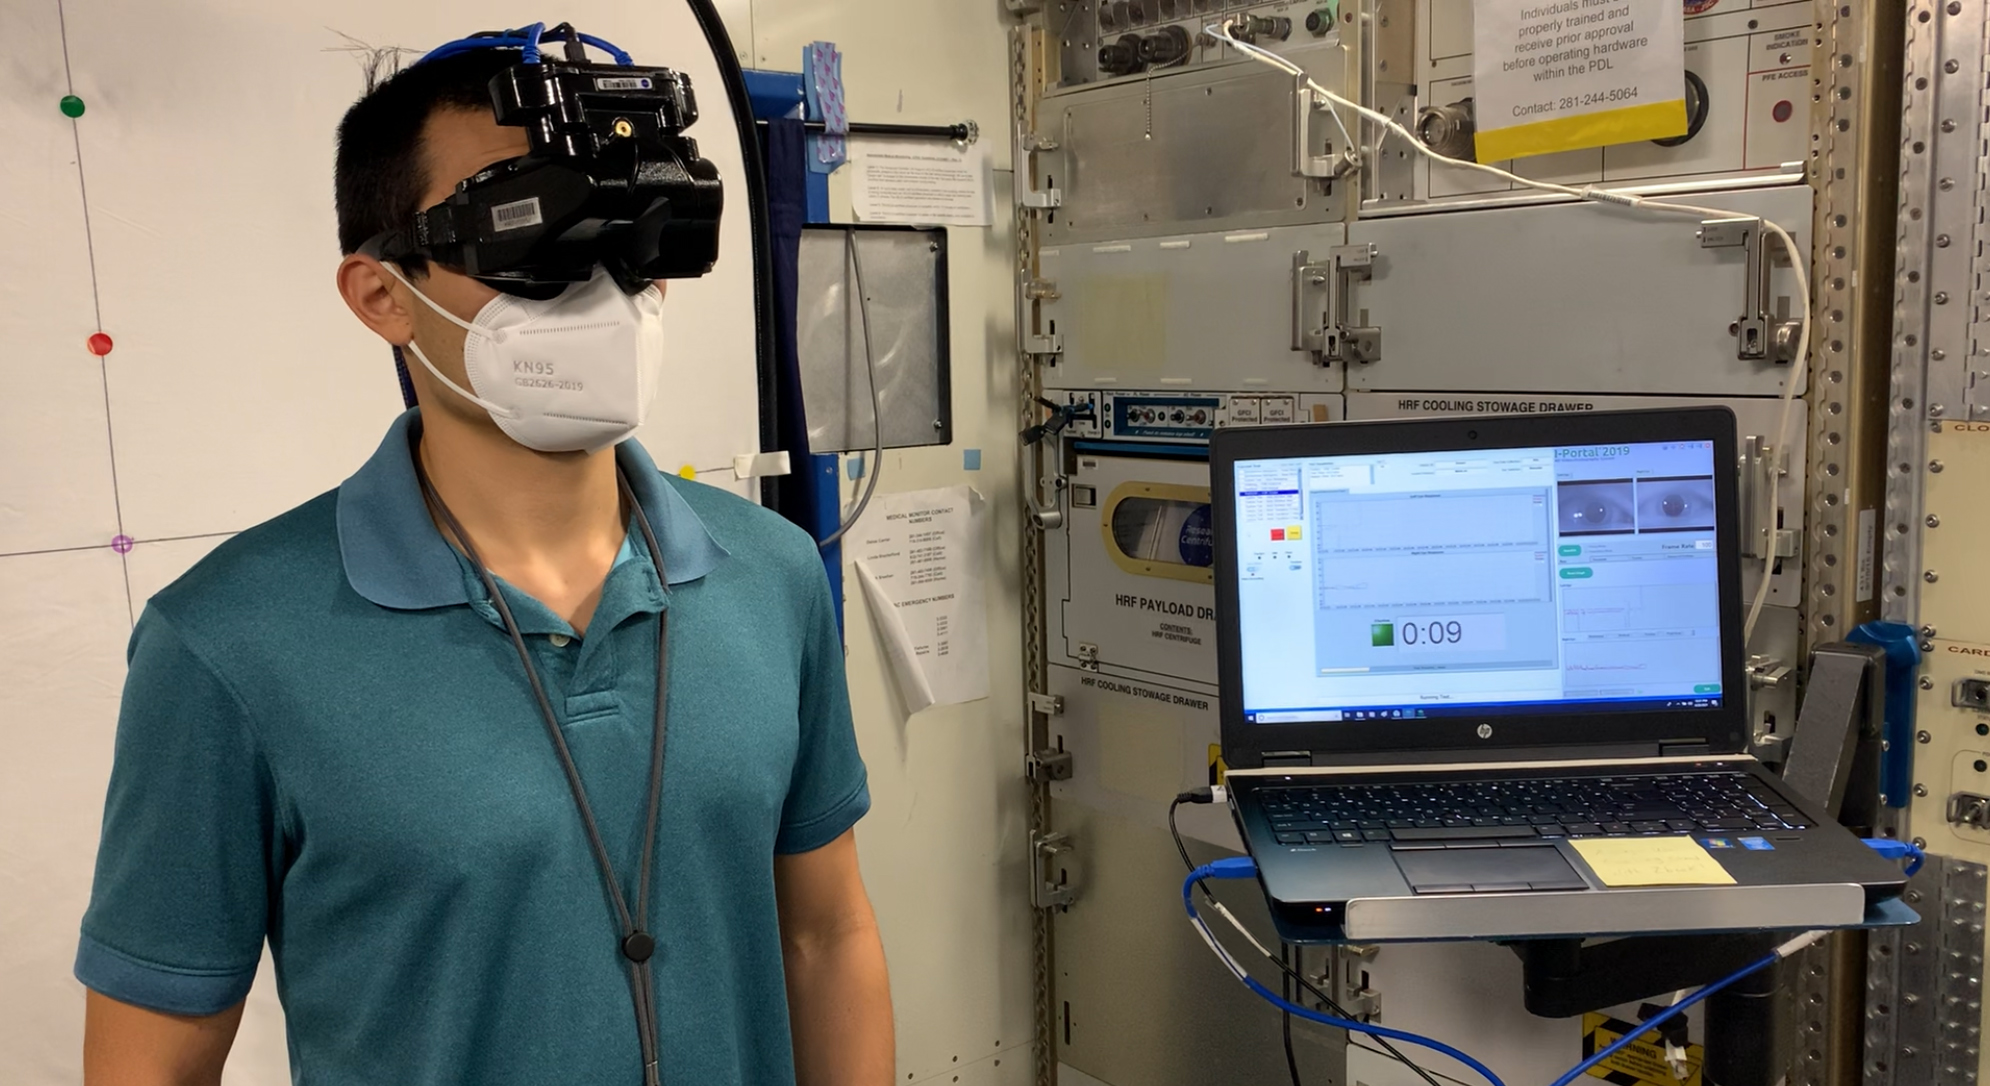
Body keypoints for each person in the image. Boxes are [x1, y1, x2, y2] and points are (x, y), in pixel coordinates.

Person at [75, 41, 893, 1086]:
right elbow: (153, 1058)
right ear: (381, 296)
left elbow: (825, 938)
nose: (600, 296)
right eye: (534, 242)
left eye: (630, 245)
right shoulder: (229, 645)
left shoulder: (772, 576)